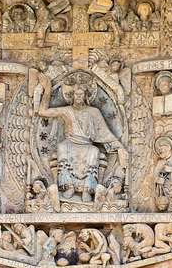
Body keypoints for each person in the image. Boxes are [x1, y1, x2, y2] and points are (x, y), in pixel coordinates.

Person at [36, 72, 128, 202]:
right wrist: (48, 90)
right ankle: (69, 187)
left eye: (81, 94)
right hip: (70, 143)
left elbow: (105, 133)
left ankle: (87, 189)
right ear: (71, 96)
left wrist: (120, 147)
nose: (78, 97)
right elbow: (43, 112)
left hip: (86, 145)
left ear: (86, 96)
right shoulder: (66, 110)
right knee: (62, 147)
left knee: (94, 151)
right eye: (76, 94)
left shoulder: (94, 112)